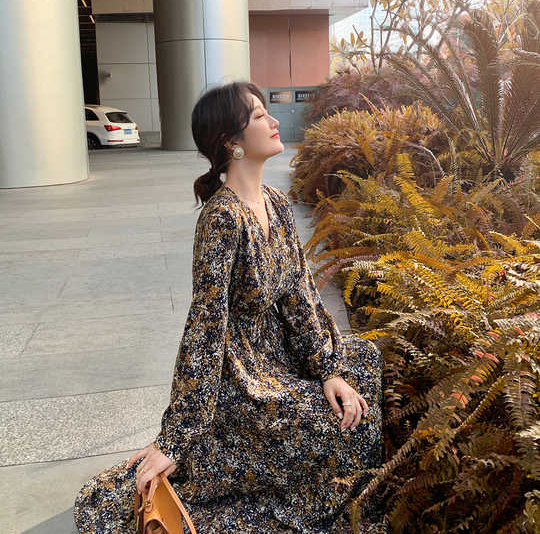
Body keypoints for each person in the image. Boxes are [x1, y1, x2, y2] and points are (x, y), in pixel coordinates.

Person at [73, 80, 384, 533]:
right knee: (335, 423)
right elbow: (205, 329)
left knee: (364, 363)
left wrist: (327, 370)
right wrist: (177, 436)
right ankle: (230, 469)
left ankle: (341, 488)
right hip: (241, 377)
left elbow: (299, 295)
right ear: (230, 142)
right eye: (259, 116)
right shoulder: (221, 219)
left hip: (278, 354)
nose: (274, 121)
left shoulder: (275, 204)